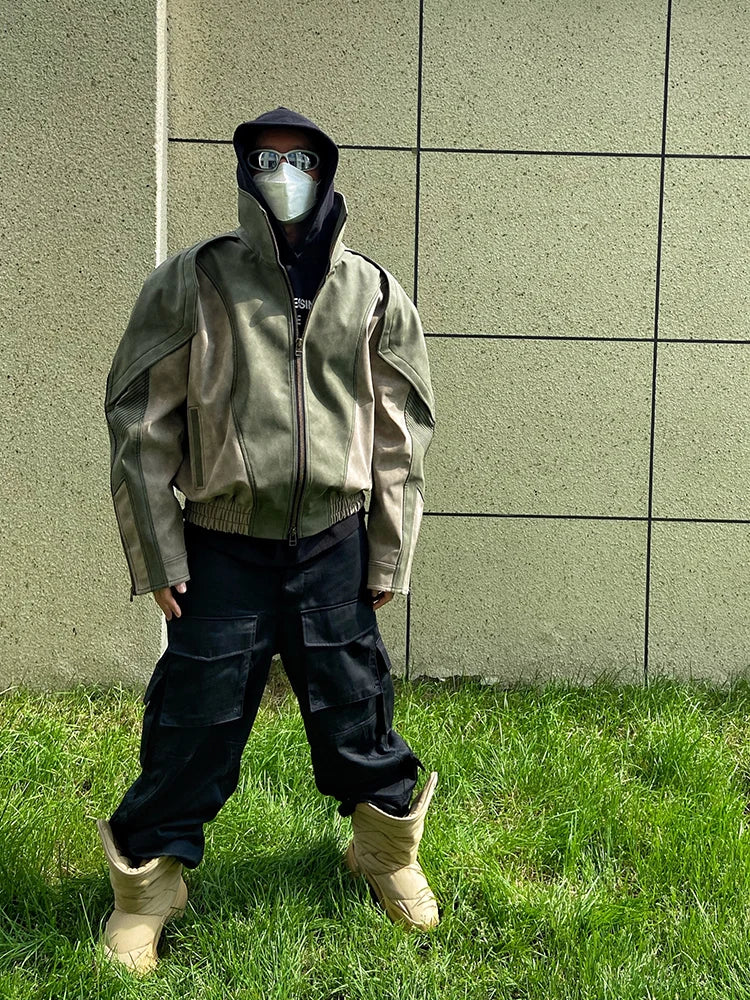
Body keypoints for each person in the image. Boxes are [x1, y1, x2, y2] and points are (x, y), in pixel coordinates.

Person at [97, 107, 438, 974]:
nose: (284, 175)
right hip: (222, 545)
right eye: (267, 160)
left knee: (355, 702)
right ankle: (149, 888)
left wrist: (388, 551)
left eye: (301, 161)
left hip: (334, 541)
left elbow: (400, 432)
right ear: (246, 173)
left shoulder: (372, 291)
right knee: (196, 715)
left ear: (327, 172)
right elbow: (140, 420)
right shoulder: (192, 281)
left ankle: (384, 851)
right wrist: (159, 551)